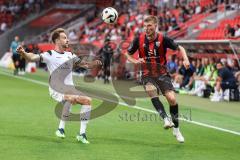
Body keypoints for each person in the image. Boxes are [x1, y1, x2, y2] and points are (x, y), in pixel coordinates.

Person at [17, 28, 102, 144]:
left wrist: (93, 64)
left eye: (67, 38)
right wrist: (23, 53)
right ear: (57, 41)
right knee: (70, 98)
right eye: (64, 38)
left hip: (70, 89)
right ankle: (61, 128)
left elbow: (85, 65)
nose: (67, 40)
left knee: (88, 101)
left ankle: (81, 134)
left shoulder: (70, 55)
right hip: (56, 88)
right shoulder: (50, 55)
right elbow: (32, 57)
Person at [124, 15, 190, 143]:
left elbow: (180, 47)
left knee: (172, 99)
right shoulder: (139, 40)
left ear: (155, 26)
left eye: (149, 26)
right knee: (151, 90)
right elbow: (128, 54)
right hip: (147, 73)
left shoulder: (163, 39)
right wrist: (136, 61)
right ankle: (165, 119)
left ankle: (176, 129)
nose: (146, 28)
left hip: (162, 73)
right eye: (145, 26)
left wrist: (185, 59)